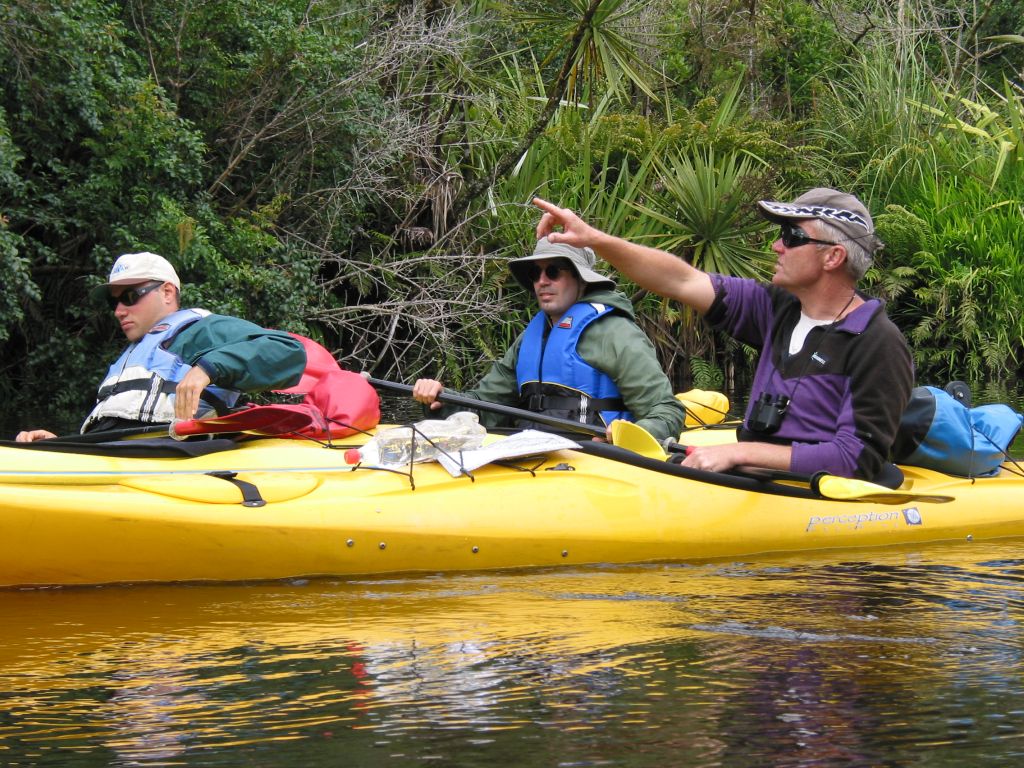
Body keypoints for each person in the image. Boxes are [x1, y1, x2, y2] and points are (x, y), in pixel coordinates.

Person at [532, 189, 914, 484]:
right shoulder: (775, 308)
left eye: (792, 236)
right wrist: (594, 239)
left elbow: (855, 459)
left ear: (833, 257)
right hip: (758, 478)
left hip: (811, 493)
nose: (776, 245)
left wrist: (742, 453)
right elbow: (680, 279)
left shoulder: (878, 342)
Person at [411, 238, 686, 442]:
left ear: (581, 280)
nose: (542, 281)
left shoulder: (616, 333)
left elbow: (666, 411)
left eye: (553, 271)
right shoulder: (530, 339)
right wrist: (440, 400)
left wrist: (635, 434)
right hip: (531, 455)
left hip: (596, 458)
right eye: (535, 273)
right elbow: (484, 406)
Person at [15, 251, 307, 441]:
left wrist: (206, 369)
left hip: (170, 458)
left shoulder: (201, 330)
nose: (119, 310)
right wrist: (61, 445)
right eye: (114, 301)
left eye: (129, 296)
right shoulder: (129, 358)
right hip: (110, 458)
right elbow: (121, 430)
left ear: (167, 292)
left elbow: (288, 353)